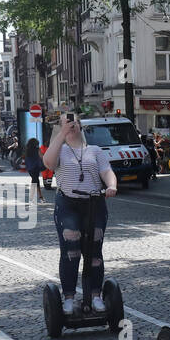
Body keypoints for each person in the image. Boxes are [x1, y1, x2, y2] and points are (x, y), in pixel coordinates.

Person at [42, 112, 119, 316]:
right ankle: (68, 298)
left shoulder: (94, 150)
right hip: (68, 204)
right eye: (66, 122)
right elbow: (48, 163)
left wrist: (111, 185)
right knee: (71, 250)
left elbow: (106, 171)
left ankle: (95, 296)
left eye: (73, 121)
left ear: (80, 125)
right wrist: (61, 134)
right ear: (61, 126)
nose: (70, 124)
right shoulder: (60, 150)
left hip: (94, 204)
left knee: (94, 252)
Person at [24, 137, 46, 203]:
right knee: (35, 181)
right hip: (36, 167)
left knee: (35, 180)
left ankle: (39, 196)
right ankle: (34, 197)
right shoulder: (37, 149)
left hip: (30, 168)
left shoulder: (27, 150)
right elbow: (42, 157)